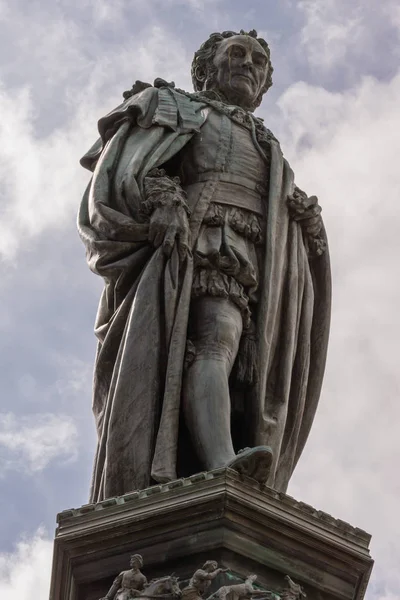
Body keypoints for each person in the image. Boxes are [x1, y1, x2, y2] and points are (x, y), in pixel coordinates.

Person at [79, 29, 331, 503]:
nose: (249, 65)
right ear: (206, 69)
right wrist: (163, 199)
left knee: (237, 364)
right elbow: (128, 168)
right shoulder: (175, 105)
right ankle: (219, 463)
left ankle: (222, 452)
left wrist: (306, 225)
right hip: (198, 242)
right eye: (236, 54)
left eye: (259, 61)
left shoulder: (268, 145)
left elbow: (281, 210)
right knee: (216, 338)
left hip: (259, 265)